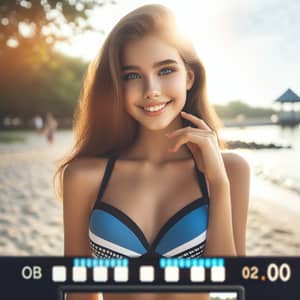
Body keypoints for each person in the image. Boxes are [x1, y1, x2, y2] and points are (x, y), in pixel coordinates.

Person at [55, 4, 250, 300]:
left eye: (166, 70)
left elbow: (235, 287)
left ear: (189, 77)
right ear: (117, 85)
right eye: (132, 75)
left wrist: (218, 184)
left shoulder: (230, 171)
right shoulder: (84, 176)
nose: (151, 89)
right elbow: (80, 293)